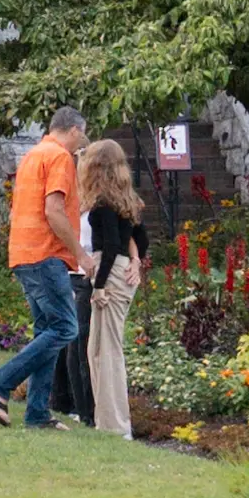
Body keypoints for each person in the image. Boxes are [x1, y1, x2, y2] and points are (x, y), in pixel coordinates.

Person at [0, 104, 89, 433]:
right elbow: (54, 210)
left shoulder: (32, 156)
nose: (82, 143)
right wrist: (81, 255)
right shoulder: (59, 157)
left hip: (24, 253)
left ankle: (38, 413)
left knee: (47, 330)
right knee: (65, 328)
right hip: (46, 254)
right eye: (82, 135)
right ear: (73, 130)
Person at [80, 133, 149, 441]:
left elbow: (109, 247)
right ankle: (107, 421)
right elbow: (140, 239)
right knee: (98, 350)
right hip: (118, 271)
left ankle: (116, 426)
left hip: (109, 275)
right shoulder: (125, 200)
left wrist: (99, 286)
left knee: (106, 352)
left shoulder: (105, 204)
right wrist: (135, 262)